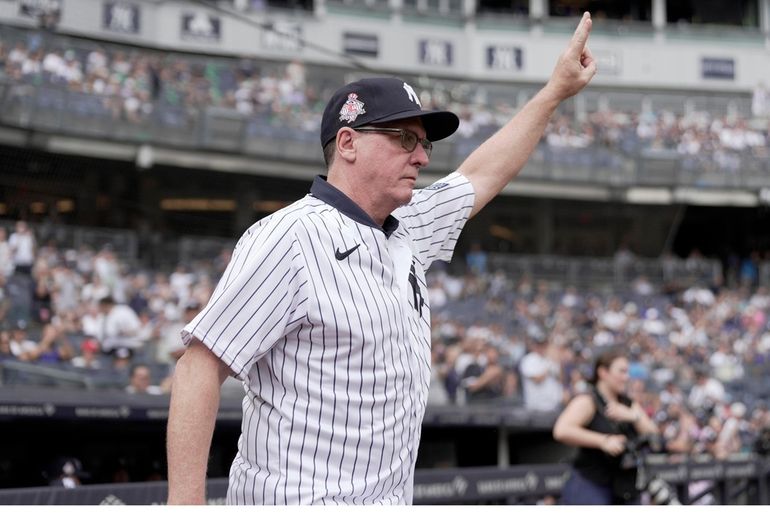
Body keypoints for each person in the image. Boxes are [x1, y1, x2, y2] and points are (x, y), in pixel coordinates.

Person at [167, 12, 596, 505]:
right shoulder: (290, 236)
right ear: (347, 143)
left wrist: (555, 92)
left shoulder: (408, 226)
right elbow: (198, 370)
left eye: (424, 143)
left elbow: (480, 174)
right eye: (404, 140)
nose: (422, 157)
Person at [553, 347, 658, 505]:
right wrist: (603, 440)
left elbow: (654, 434)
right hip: (591, 483)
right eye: (621, 372)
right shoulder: (588, 400)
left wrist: (633, 416)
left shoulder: (627, 403)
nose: (626, 377)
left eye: (627, 372)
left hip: (625, 485)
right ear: (603, 372)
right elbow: (561, 430)